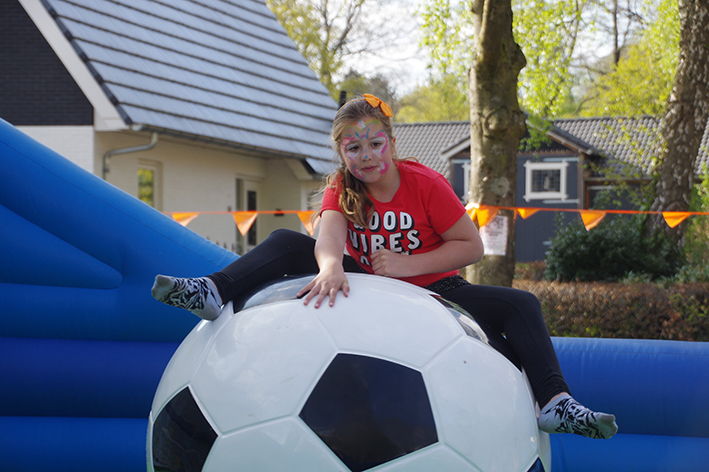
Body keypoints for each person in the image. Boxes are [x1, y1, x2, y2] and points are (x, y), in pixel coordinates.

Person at [152, 94, 618, 440]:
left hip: (437, 287)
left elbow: (470, 245)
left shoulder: (425, 184)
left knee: (520, 304)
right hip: (364, 280)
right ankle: (213, 290)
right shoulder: (341, 186)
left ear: (392, 144)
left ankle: (556, 401)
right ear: (341, 153)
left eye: (375, 144)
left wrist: (407, 264)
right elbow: (329, 233)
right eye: (354, 149)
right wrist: (331, 265)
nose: (367, 156)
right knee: (287, 241)